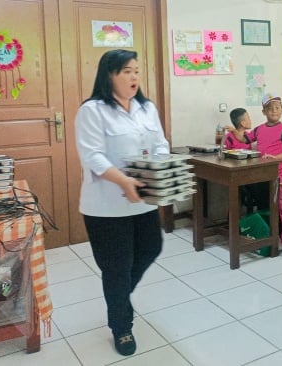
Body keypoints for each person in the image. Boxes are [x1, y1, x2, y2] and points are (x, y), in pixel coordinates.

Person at [74, 49, 169, 356]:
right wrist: (123, 180)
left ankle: (118, 296)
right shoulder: (92, 110)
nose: (134, 77)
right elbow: (92, 156)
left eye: (137, 71)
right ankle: (121, 325)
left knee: (151, 247)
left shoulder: (146, 107)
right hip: (104, 206)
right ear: (109, 75)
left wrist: (163, 169)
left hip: (143, 200)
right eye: (126, 71)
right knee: (116, 266)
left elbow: (160, 144)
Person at [227, 92, 282, 245]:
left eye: (277, 108)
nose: (274, 111)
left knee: (278, 206)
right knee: (264, 204)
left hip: (276, 174)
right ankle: (268, 235)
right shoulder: (259, 129)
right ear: (264, 112)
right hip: (260, 174)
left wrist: (276, 158)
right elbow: (245, 139)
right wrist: (233, 131)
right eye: (270, 109)